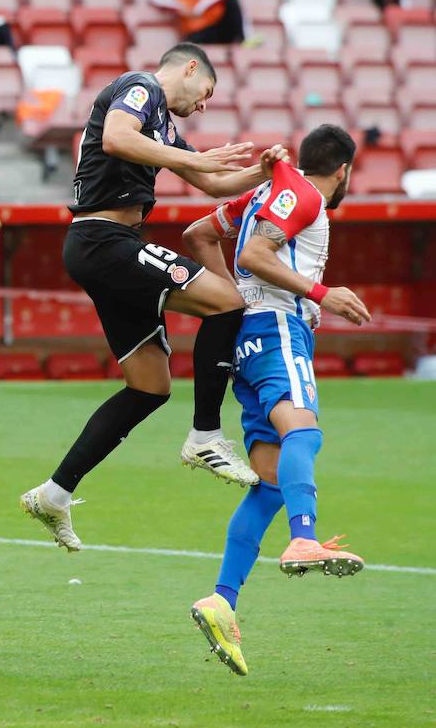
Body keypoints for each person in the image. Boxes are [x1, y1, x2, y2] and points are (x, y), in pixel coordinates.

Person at [19, 44, 290, 552]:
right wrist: (190, 156)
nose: (204, 104)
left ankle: (54, 494)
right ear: (190, 68)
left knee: (148, 387)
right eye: (206, 91)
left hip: (103, 245)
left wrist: (262, 172)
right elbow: (118, 139)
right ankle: (206, 435)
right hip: (105, 240)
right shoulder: (139, 88)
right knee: (227, 302)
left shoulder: (164, 124)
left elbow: (211, 182)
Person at [181, 125, 371, 676]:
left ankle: (221, 600)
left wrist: (236, 300)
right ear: (343, 171)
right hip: (281, 329)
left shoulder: (262, 192)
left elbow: (198, 235)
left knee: (267, 484)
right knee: (303, 432)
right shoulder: (305, 194)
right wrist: (320, 293)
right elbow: (262, 252)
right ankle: (305, 538)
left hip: (248, 338)